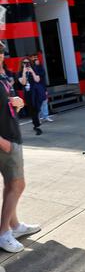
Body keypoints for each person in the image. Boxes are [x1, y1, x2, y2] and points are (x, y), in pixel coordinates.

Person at [0, 42, 41, 253]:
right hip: (5, 141)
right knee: (18, 185)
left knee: (11, 185)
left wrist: (14, 101)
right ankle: (3, 232)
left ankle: (14, 227)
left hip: (12, 136)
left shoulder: (4, 76)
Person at [17, 57, 43, 135]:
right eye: (24, 63)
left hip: (36, 92)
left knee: (37, 108)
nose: (26, 64)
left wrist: (32, 71)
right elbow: (23, 83)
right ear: (22, 64)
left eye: (28, 62)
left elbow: (37, 80)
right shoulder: (20, 72)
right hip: (28, 94)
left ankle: (36, 121)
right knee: (32, 109)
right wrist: (24, 72)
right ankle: (36, 126)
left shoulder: (34, 69)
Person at [30, 54, 53, 123]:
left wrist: (45, 89)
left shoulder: (40, 66)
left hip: (42, 86)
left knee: (45, 101)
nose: (36, 59)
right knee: (38, 103)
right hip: (35, 88)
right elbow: (35, 76)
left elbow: (42, 75)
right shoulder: (31, 67)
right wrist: (35, 66)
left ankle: (45, 116)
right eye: (34, 58)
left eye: (37, 58)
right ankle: (38, 118)